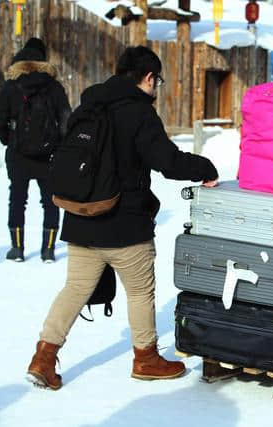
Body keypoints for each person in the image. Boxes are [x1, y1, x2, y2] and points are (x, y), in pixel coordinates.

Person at [25, 46, 219, 390]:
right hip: (125, 224)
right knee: (140, 293)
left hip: (82, 218)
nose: (155, 87)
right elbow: (168, 162)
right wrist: (204, 167)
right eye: (156, 80)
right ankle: (145, 359)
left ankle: (43, 356)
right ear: (148, 78)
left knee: (74, 289)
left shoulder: (89, 104)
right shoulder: (138, 113)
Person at [0, 37, 71, 262]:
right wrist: (59, 146)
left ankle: (17, 248)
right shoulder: (54, 86)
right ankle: (48, 249)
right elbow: (66, 119)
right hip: (49, 155)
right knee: (50, 201)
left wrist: (9, 140)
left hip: (19, 154)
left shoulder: (11, 85)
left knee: (17, 199)